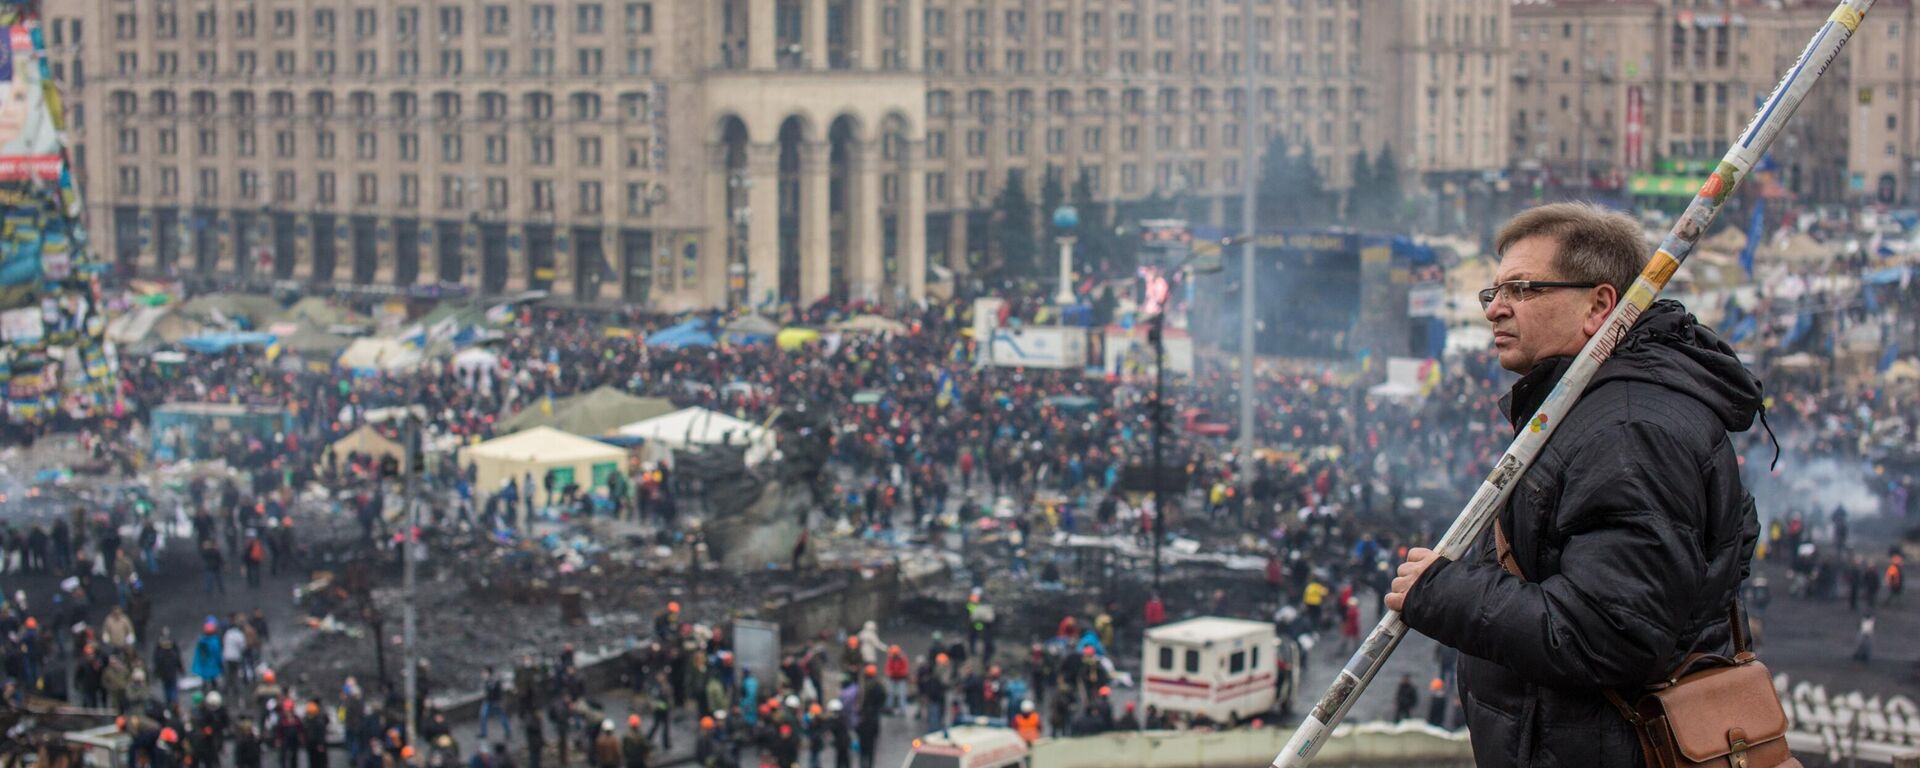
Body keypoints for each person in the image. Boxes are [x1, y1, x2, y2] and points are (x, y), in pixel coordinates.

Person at [1388, 203, 1764, 768]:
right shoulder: (1596, 409)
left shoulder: (1629, 428)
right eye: (1492, 292)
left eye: (1523, 288)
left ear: (1600, 305)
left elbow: (1610, 632)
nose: (1496, 310)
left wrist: (1442, 593)